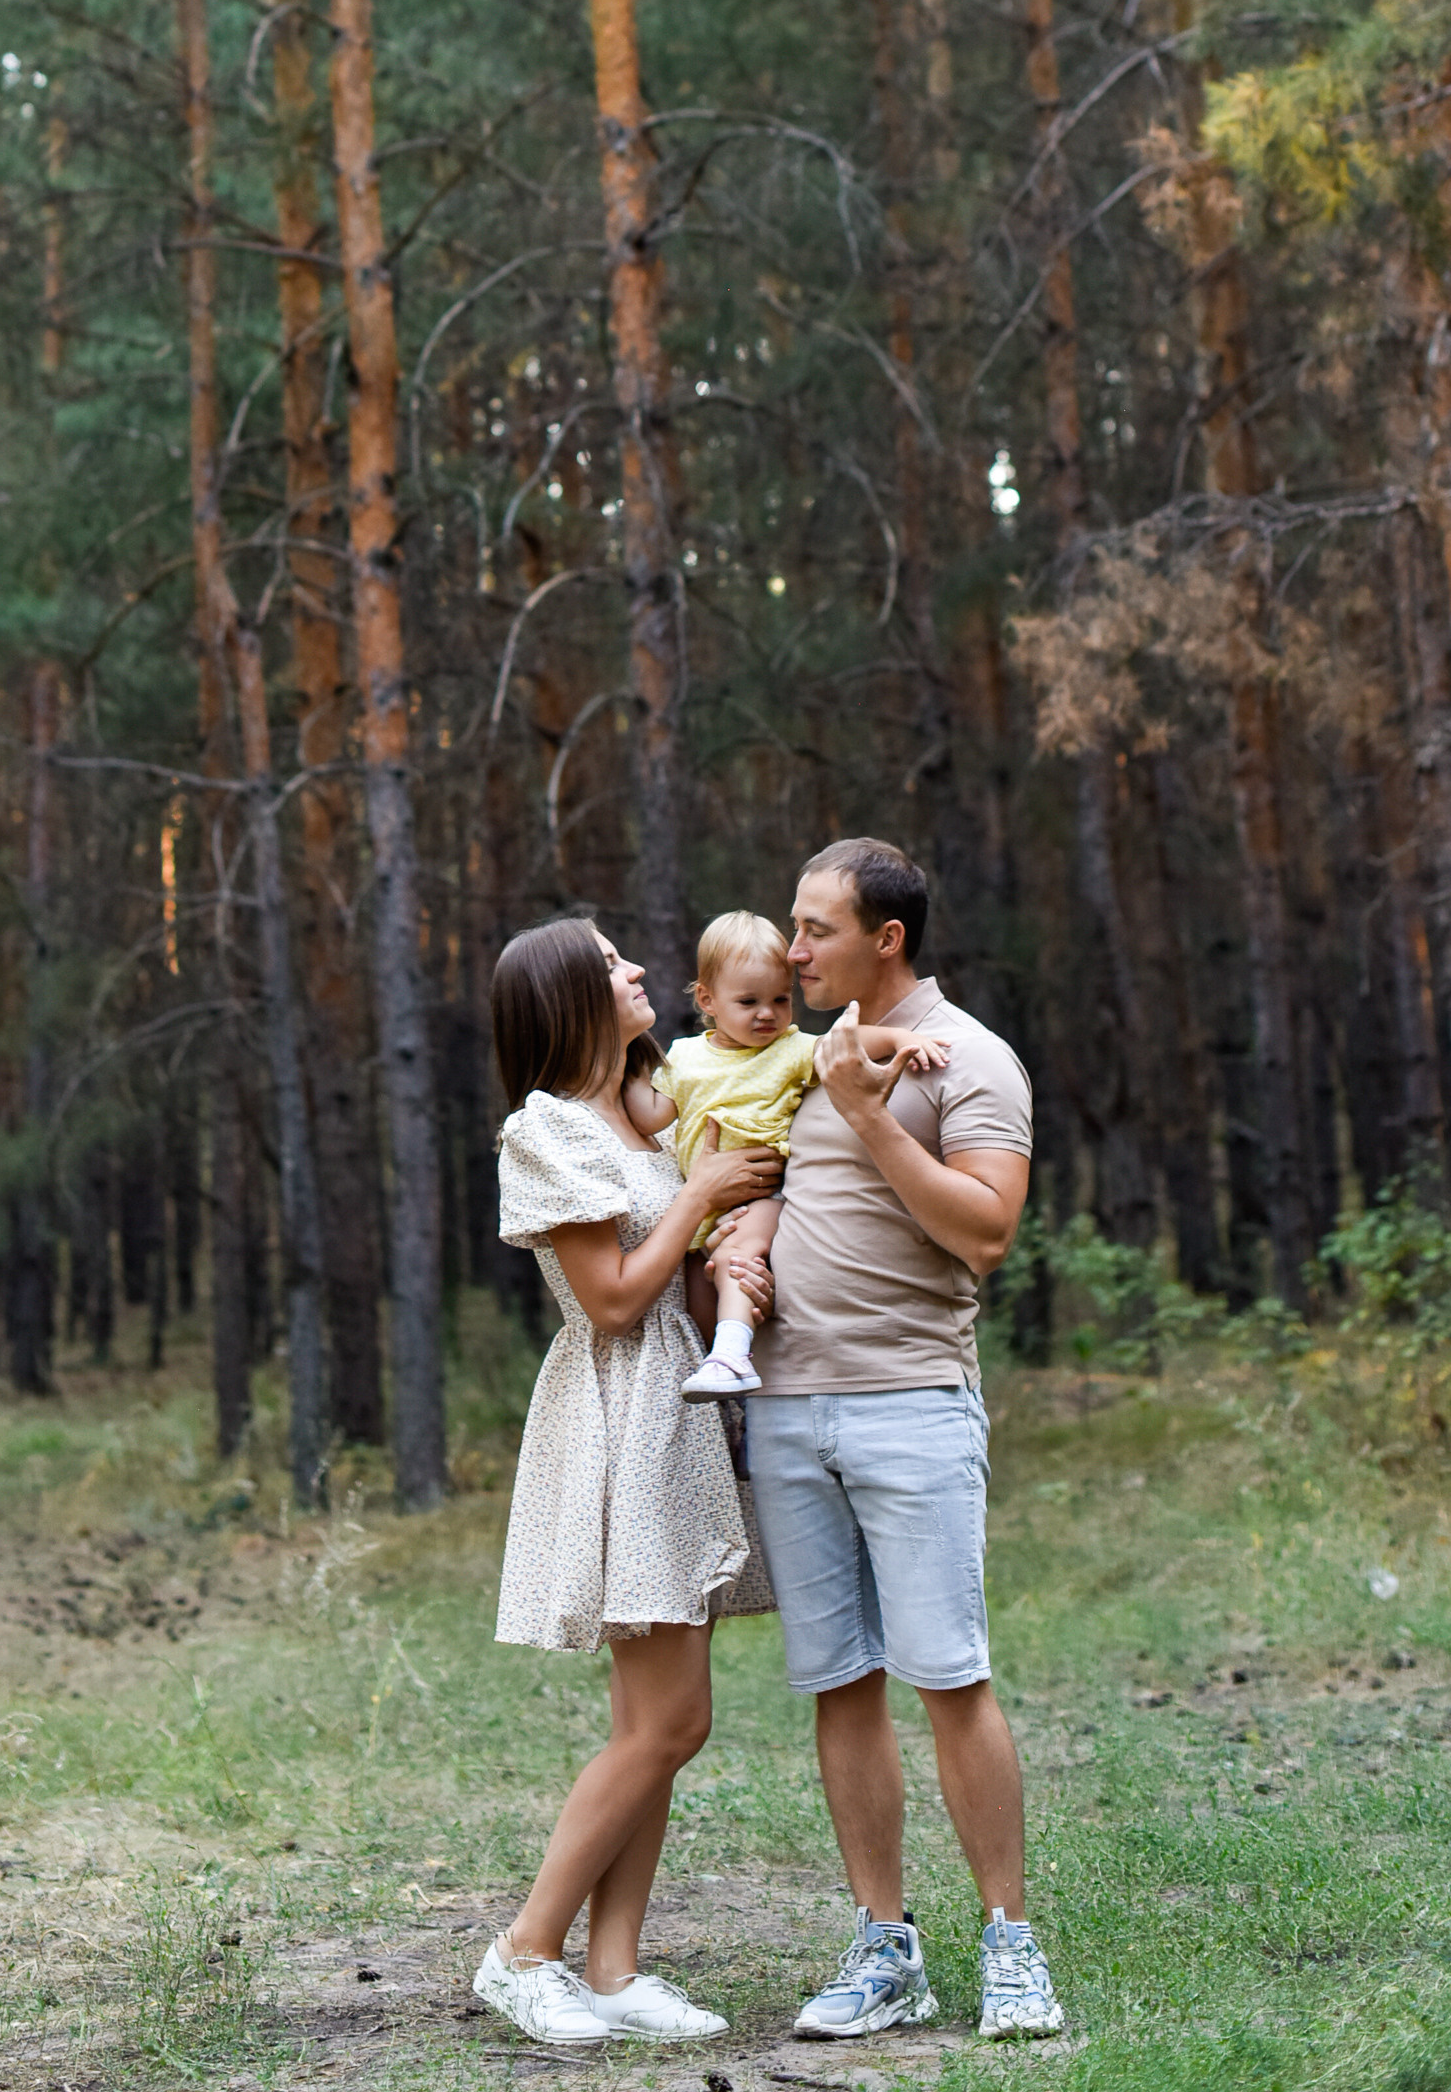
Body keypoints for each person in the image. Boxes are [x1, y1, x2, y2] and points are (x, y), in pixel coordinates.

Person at [730, 836, 1066, 2046]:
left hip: (911, 1404)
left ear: (887, 939)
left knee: (950, 1677)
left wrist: (872, 1119)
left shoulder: (970, 1058)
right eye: (790, 924)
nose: (793, 947)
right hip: (784, 1410)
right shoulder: (795, 1053)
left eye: (815, 929)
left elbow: (985, 1230)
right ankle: (886, 1948)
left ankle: (1010, 1944)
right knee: (838, 1684)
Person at [474, 916, 785, 2056]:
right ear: (567, 998)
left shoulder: (645, 1110)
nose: (639, 971)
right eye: (611, 964)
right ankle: (523, 1952)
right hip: (620, 1417)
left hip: (677, 1419)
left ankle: (612, 1969)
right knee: (672, 1720)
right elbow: (608, 1300)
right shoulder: (546, 1131)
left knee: (651, 1721)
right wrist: (701, 1195)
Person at [648, 910, 945, 1402]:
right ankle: (731, 1408)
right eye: (748, 1002)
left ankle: (732, 1356)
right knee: (697, 1298)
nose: (767, 1014)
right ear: (708, 1000)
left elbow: (845, 1045)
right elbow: (655, 1112)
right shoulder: (682, 1057)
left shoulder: (790, 1050)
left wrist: (899, 1038)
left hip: (762, 1195)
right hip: (700, 1203)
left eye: (780, 999)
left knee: (736, 1263)